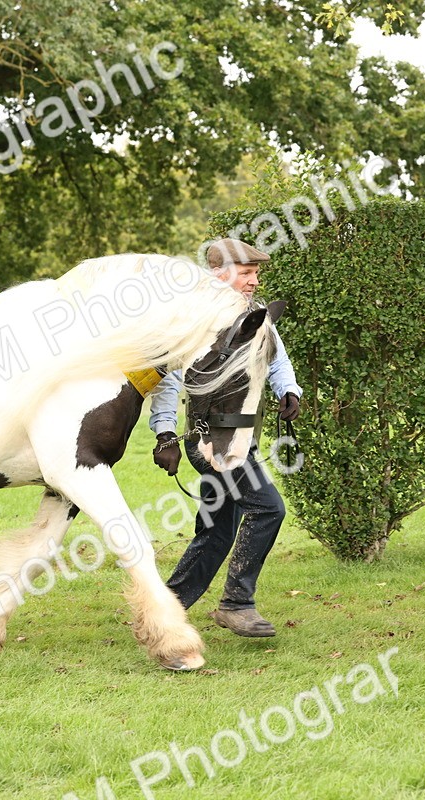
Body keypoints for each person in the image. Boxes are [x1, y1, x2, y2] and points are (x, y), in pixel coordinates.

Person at [148, 238, 302, 638]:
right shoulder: (192, 321)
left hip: (241, 436)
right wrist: (165, 434)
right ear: (219, 275)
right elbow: (166, 381)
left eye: (256, 274)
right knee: (269, 508)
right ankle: (237, 603)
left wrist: (289, 389)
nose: (254, 282)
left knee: (217, 532)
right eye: (247, 274)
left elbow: (276, 356)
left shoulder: (254, 314)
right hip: (210, 442)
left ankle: (165, 611)